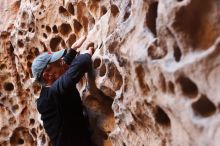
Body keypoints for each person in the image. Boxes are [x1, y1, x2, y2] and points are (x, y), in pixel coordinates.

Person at [31, 36, 95, 146]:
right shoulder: (53, 94)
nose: (63, 63)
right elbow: (82, 63)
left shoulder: (51, 87)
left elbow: (63, 66)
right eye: (59, 63)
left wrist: (73, 50)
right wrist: (87, 54)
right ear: (48, 75)